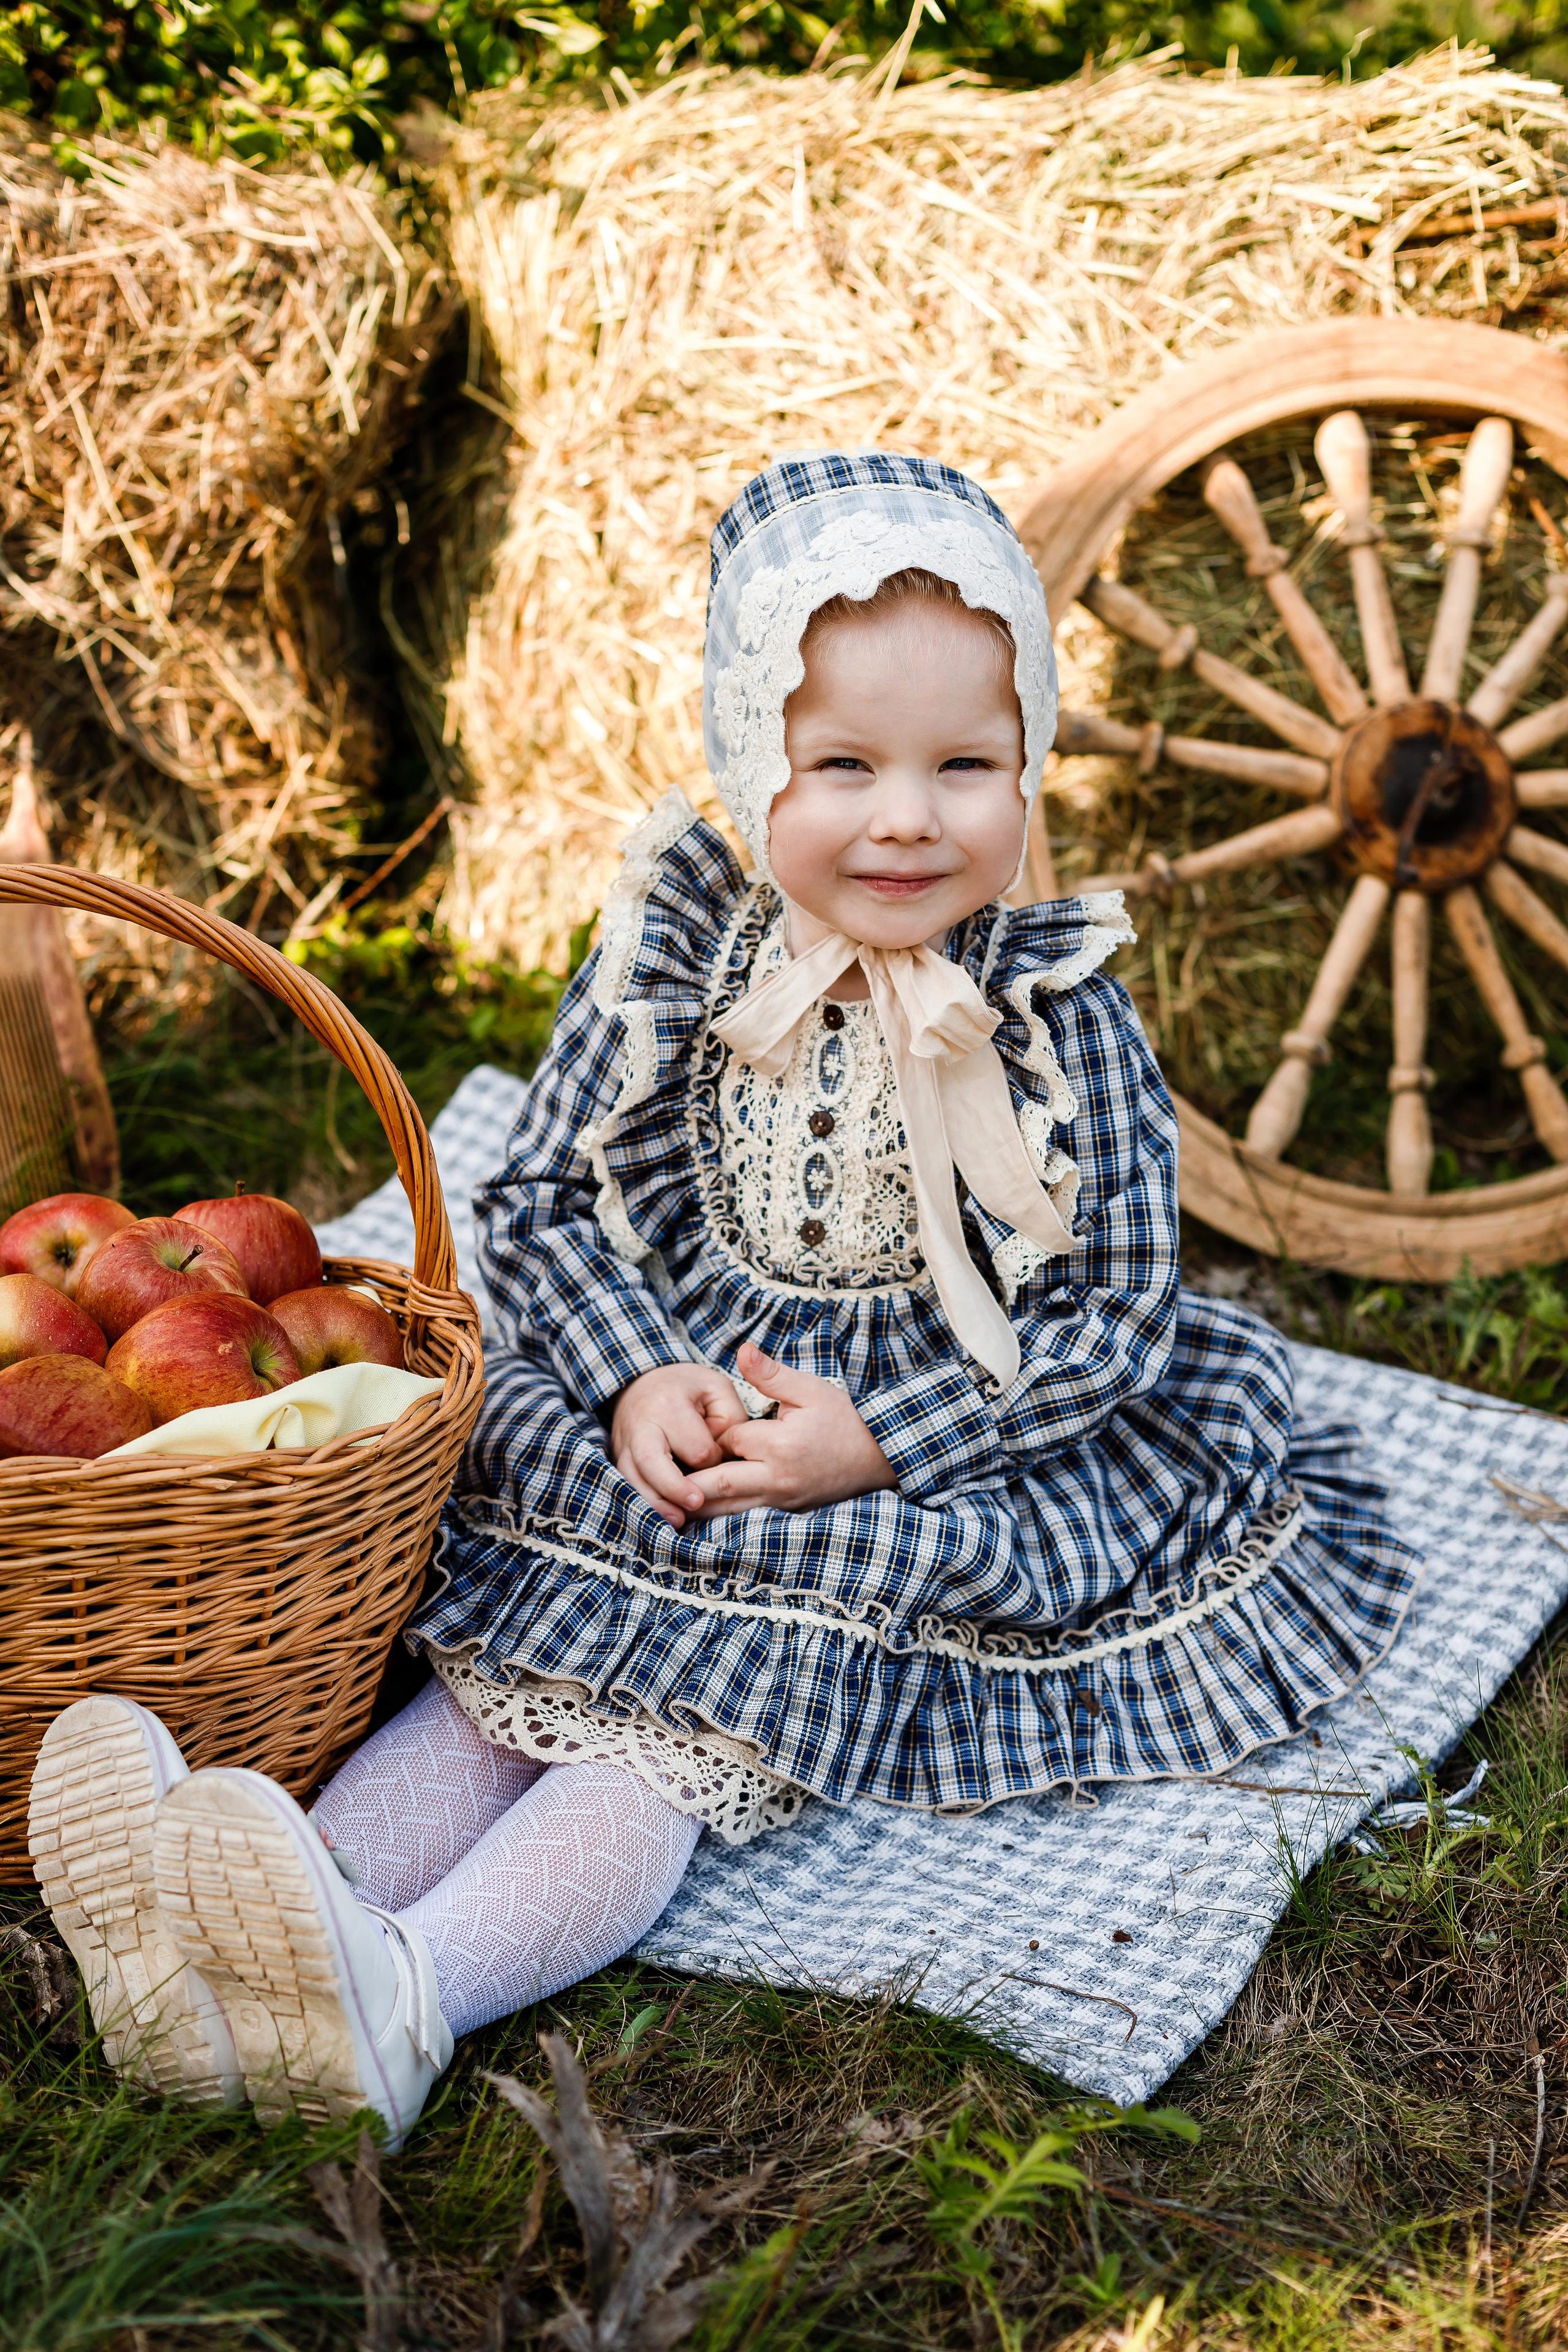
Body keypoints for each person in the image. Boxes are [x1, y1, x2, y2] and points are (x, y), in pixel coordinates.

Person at [30, 453, 1419, 2149]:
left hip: (928, 1444)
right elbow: (540, 1195)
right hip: (680, 1395)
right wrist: (626, 1379)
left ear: (1031, 767)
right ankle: (239, 1929)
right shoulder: (676, 951)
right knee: (497, 1690)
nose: (907, 816)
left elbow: (1116, 1320)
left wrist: (880, 1441)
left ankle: (408, 1994)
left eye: (966, 766)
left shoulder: (1064, 1011)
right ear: (747, 755)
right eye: (843, 765)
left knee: (659, 1741)